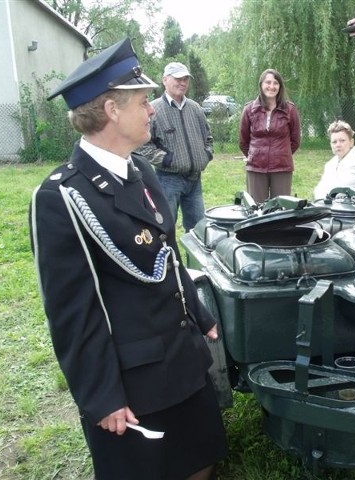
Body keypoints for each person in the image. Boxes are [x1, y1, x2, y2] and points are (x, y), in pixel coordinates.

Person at [29, 38, 227, 480]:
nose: (152, 108)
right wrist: (101, 395)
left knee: (200, 459)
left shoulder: (142, 170)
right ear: (112, 110)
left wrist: (198, 312)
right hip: (135, 378)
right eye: (142, 100)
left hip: (181, 356)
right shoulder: (62, 196)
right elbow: (70, 310)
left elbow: (167, 256)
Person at [137, 62, 213, 232]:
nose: (182, 82)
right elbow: (142, 146)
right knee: (166, 227)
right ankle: (169, 259)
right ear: (165, 80)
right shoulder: (153, 110)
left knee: (198, 230)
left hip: (195, 179)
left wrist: (207, 154)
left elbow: (208, 137)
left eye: (185, 79)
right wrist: (166, 159)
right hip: (167, 180)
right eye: (178, 78)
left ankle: (194, 259)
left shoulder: (195, 108)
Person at [239, 68, 301, 202]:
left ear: (280, 86)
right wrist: (255, 155)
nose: (271, 86)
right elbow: (243, 141)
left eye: (275, 83)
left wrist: (280, 154)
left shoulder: (290, 110)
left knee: (280, 210)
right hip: (255, 167)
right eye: (268, 82)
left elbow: (295, 141)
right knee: (256, 209)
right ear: (261, 85)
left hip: (282, 167)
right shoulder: (249, 109)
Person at [313, 120, 355, 199]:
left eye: (342, 141)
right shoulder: (330, 164)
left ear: (351, 142)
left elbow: (338, 193)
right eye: (334, 142)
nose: (338, 145)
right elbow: (318, 190)